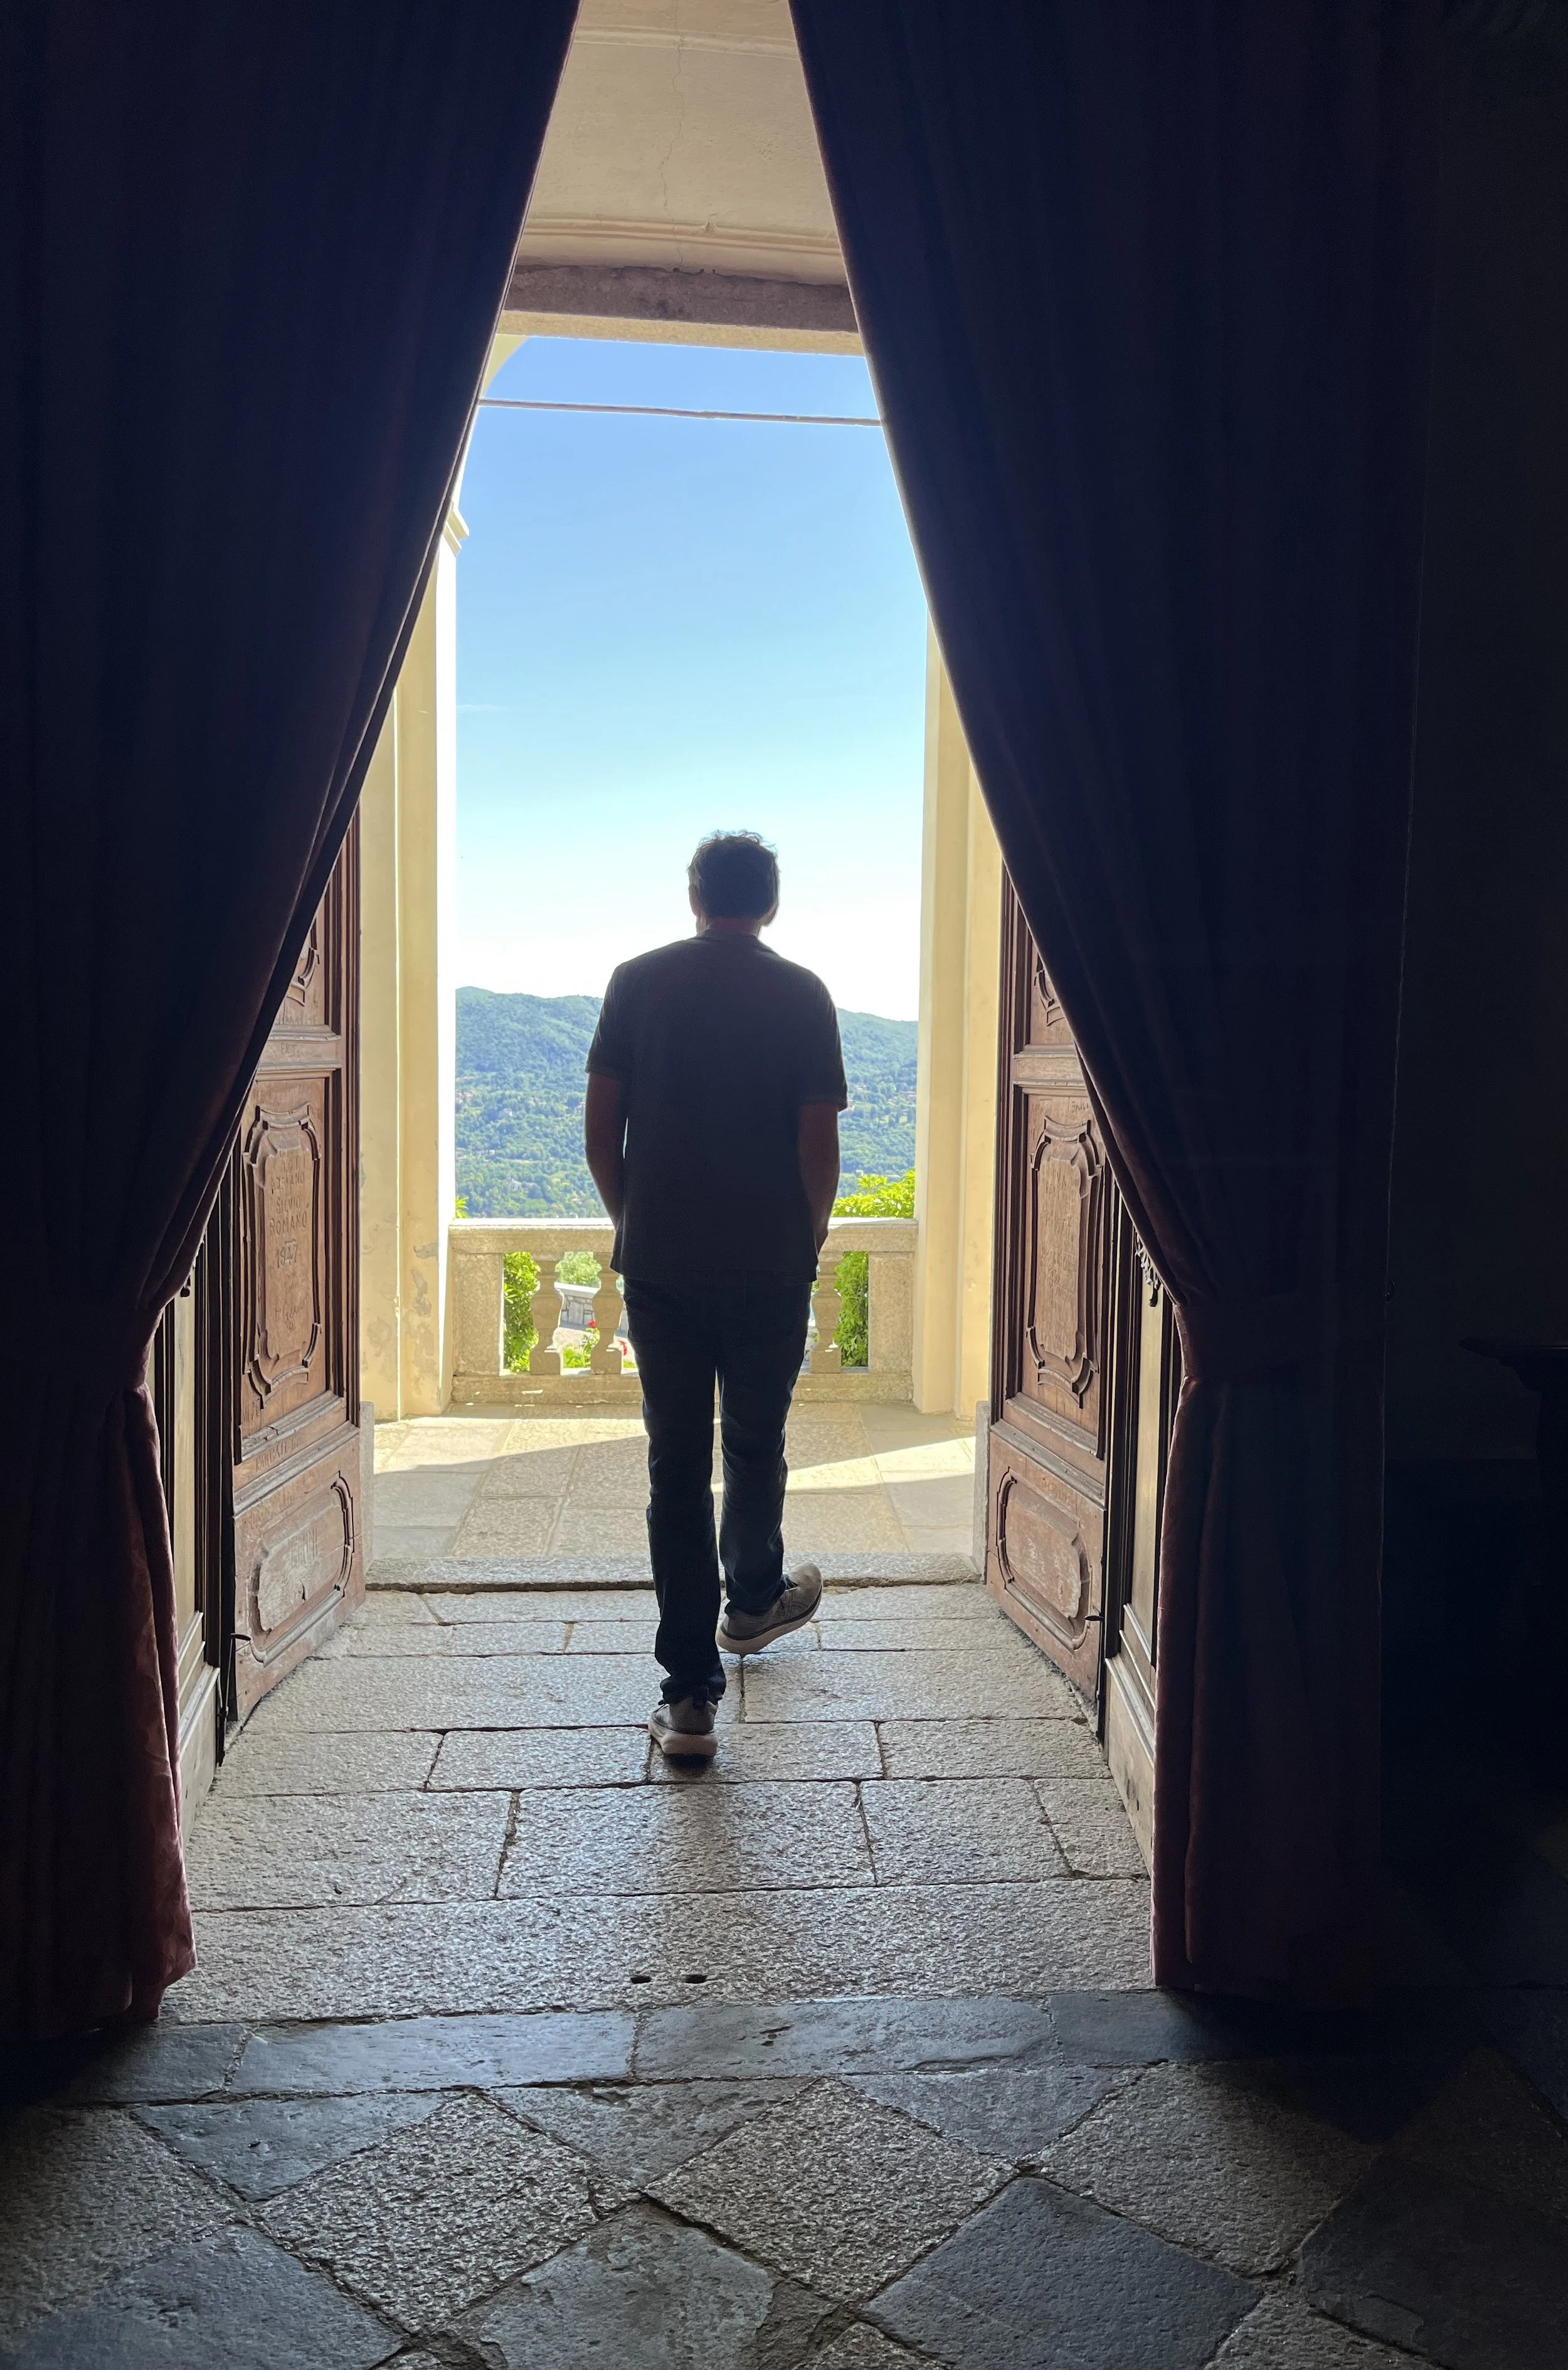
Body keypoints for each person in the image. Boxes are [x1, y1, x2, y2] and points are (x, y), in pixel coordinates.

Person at [583, 832, 845, 1759]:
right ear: (769, 904)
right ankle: (752, 1603)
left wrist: (639, 1224)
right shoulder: (805, 994)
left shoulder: (636, 981)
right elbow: (819, 1146)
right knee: (757, 1442)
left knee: (675, 1466)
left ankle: (690, 1697)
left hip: (662, 1264)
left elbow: (599, 1132)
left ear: (696, 897)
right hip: (770, 1262)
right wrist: (804, 1238)